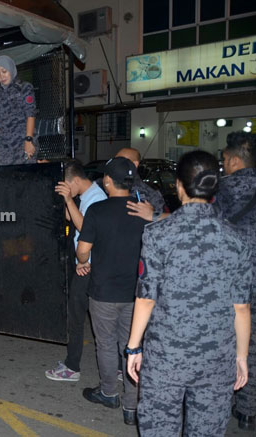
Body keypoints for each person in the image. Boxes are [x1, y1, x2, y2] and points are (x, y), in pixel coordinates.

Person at [126, 150, 252, 436]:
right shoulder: (237, 240)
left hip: (166, 356)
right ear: (214, 186)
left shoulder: (158, 234)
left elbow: (146, 298)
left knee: (160, 428)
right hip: (217, 358)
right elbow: (242, 308)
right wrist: (241, 357)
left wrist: (133, 347)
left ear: (179, 186)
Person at [76, 157, 148, 426]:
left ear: (107, 181)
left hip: (104, 292)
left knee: (106, 344)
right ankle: (132, 407)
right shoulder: (144, 211)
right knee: (132, 346)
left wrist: (82, 262)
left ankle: (108, 393)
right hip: (136, 295)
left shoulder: (98, 210)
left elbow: (83, 250)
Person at [46, 159, 106, 382]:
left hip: (87, 266)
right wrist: (66, 200)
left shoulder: (96, 198)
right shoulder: (87, 197)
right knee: (91, 317)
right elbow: (72, 218)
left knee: (77, 318)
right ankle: (116, 367)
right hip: (86, 264)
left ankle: (72, 367)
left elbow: (86, 229)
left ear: (76, 180)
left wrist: (69, 199)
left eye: (66, 185)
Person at [214, 131, 256, 431]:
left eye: (225, 161)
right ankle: (248, 410)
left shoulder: (225, 189)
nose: (223, 166)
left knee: (228, 343)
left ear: (235, 160)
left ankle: (222, 402)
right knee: (252, 346)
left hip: (232, 277)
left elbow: (207, 226)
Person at [0, 55, 37, 165]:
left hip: (23, 143)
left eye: (4, 71)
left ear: (11, 69)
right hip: (3, 148)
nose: (1, 76)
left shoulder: (24, 88)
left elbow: (31, 114)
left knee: (26, 177)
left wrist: (28, 140)